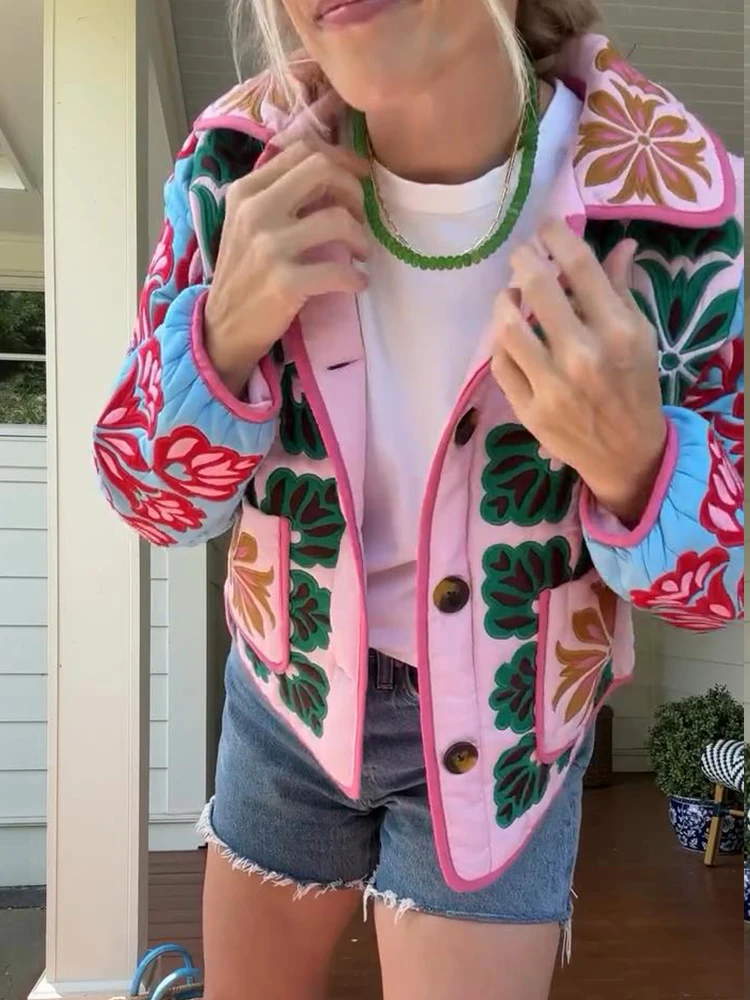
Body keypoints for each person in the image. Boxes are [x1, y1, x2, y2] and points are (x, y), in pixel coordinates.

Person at [93, 0, 745, 997]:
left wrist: (637, 465)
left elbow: (716, 587)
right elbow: (147, 500)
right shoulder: (235, 166)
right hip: (286, 700)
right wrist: (218, 339)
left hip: (512, 738)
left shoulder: (671, 196)